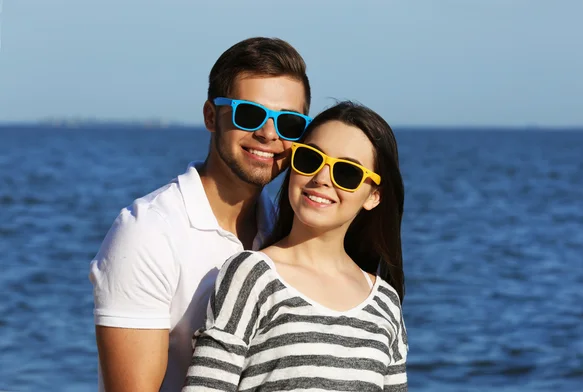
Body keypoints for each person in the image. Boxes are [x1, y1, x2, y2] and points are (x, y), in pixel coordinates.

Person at [89, 37, 312, 392]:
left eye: (289, 123)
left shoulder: (288, 232)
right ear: (211, 116)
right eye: (249, 114)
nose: (269, 134)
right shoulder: (149, 231)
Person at [183, 101, 409, 391]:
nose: (321, 179)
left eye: (347, 173)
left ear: (373, 196)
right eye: (310, 159)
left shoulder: (385, 304)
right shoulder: (253, 276)